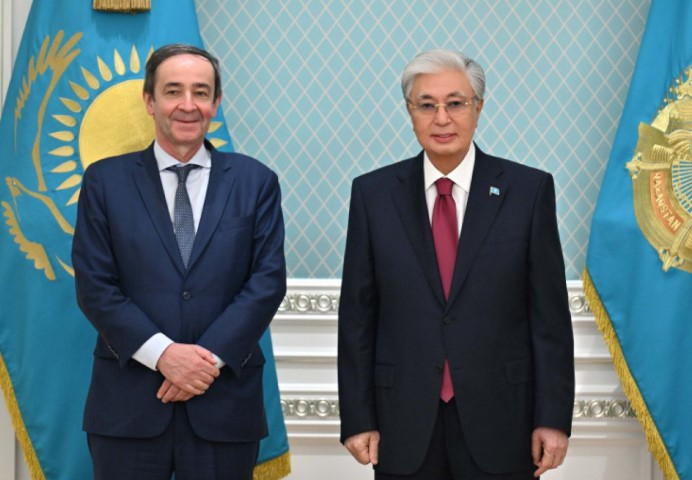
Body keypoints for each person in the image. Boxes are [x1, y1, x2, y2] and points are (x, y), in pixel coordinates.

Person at [337, 49, 574, 479]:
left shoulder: (528, 191)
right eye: (427, 105)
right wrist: (357, 418)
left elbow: (550, 319)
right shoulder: (373, 195)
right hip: (402, 423)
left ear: (478, 108)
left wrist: (553, 418)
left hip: (504, 421)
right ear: (410, 111)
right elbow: (357, 318)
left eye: (455, 103)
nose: (441, 118)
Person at [72, 44, 286, 480]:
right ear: (150, 101)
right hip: (128, 408)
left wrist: (202, 363)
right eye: (173, 91)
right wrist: (164, 355)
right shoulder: (104, 182)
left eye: (200, 92)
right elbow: (95, 286)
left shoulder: (256, 181)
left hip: (224, 406)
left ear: (215, 103)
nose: (188, 105)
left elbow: (265, 283)